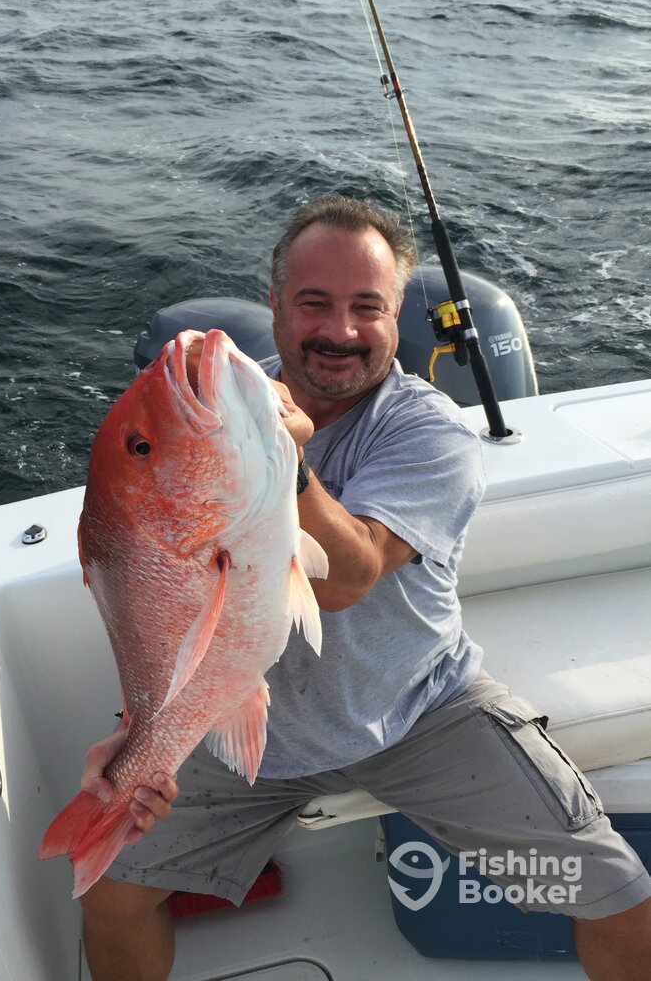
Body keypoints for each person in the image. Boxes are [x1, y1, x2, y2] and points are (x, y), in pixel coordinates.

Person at [78, 195, 651, 981]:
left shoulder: (427, 429)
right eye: (314, 303)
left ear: (394, 315)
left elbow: (349, 577)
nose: (339, 331)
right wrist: (140, 728)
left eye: (366, 308)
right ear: (275, 303)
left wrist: (287, 464)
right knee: (110, 894)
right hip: (248, 731)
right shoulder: (226, 404)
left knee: (616, 899)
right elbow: (166, 592)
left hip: (420, 715)